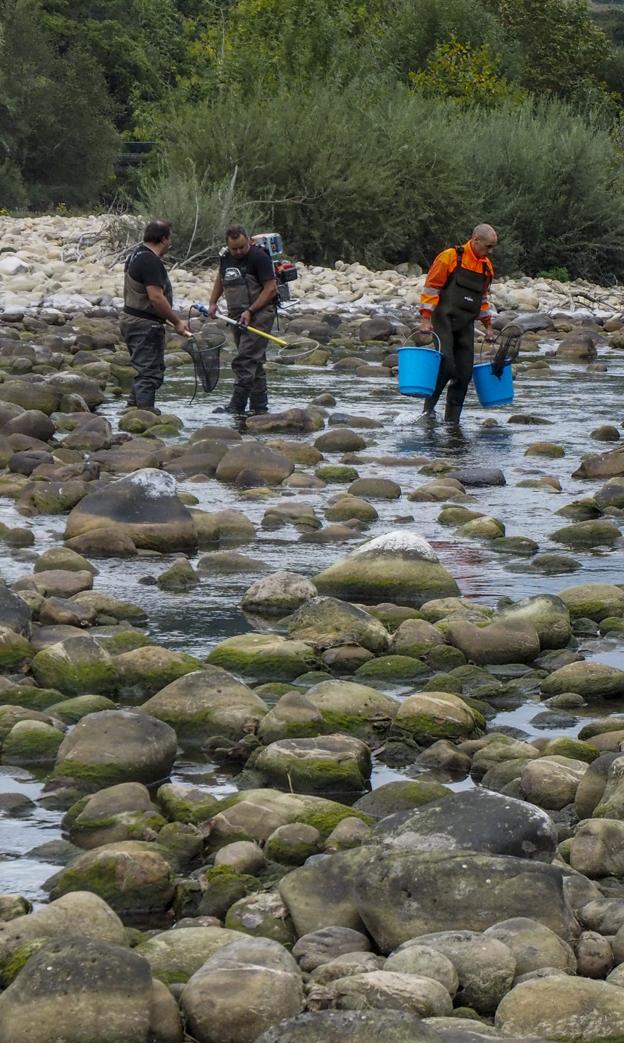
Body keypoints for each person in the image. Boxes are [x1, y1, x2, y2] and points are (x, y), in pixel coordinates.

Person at [419, 223, 497, 423]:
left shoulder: (486, 267)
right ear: (475, 240)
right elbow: (431, 288)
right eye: (488, 246)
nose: (490, 251)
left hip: (465, 324)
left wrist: (488, 326)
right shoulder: (450, 257)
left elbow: (483, 299)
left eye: (493, 247)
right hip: (443, 319)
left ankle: (452, 422)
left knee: (464, 373)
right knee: (446, 364)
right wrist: (426, 318)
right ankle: (427, 412)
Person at [121, 219, 190, 414]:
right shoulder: (150, 260)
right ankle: (144, 415)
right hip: (144, 325)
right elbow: (156, 297)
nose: (171, 242)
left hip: (131, 319)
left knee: (144, 369)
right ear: (163, 239)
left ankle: (131, 410)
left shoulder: (135, 255)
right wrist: (177, 321)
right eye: (170, 238)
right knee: (149, 373)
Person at [208, 224, 278, 415]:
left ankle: (236, 407)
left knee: (245, 360)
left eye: (242, 247)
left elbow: (271, 289)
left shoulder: (259, 257)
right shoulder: (226, 257)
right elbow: (221, 279)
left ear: (248, 240)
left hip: (260, 314)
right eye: (234, 248)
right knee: (255, 362)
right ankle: (259, 408)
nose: (238, 251)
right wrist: (213, 302)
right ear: (228, 245)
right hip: (236, 316)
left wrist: (251, 310)